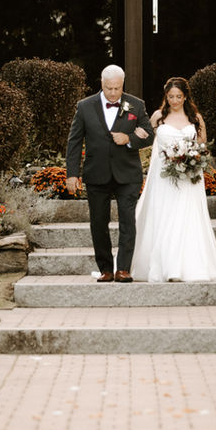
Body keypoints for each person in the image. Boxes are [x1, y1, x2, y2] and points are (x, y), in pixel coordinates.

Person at [131, 76, 216, 283]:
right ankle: (164, 266)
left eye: (178, 96)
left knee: (187, 216)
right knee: (165, 216)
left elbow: (202, 144)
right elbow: (148, 141)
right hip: (165, 177)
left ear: (185, 97)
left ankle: (189, 265)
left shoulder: (195, 118)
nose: (174, 100)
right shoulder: (158, 117)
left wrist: (191, 158)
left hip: (189, 176)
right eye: (170, 97)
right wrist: (138, 134)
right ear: (166, 97)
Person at [66, 65, 154, 282]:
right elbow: (74, 142)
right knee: (98, 222)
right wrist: (71, 174)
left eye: (117, 88)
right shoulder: (85, 107)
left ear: (122, 85)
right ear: (102, 85)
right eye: (109, 88)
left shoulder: (136, 105)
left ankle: (123, 268)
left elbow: (150, 135)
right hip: (96, 174)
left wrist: (129, 139)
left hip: (127, 174)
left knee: (127, 221)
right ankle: (105, 269)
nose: (113, 93)